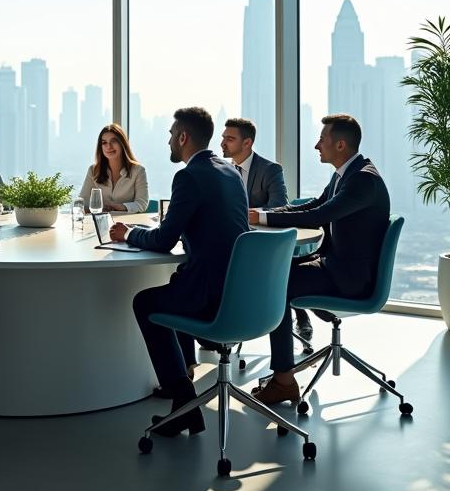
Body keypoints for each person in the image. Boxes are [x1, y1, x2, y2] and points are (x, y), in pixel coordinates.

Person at [110, 108, 249, 436]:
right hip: (238, 291)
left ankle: (185, 398)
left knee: (146, 303)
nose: (169, 141)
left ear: (184, 137)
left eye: (172, 135)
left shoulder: (188, 176)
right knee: (172, 288)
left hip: (210, 294)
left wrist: (127, 234)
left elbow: (162, 241)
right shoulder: (230, 171)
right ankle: (183, 408)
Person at [249, 114, 390, 406]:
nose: (316, 146)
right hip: (336, 265)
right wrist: (263, 214)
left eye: (322, 140)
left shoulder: (363, 179)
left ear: (340, 144)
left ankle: (283, 382)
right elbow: (312, 205)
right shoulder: (346, 174)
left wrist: (263, 217)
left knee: (278, 285)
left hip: (350, 279)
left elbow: (318, 216)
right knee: (275, 273)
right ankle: (285, 370)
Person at [220, 117, 313, 339]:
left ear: (247, 143)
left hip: (264, 240)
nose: (223, 143)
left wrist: (250, 213)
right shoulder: (222, 169)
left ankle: (300, 315)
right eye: (223, 138)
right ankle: (220, 327)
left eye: (230, 139)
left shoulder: (269, 169)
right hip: (233, 239)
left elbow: (280, 205)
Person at [78, 124, 149, 213]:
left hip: (127, 223)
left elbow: (142, 203)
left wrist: (118, 207)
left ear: (122, 143)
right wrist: (90, 209)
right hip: (100, 222)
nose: (108, 147)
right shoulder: (93, 170)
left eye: (113, 141)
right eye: (104, 143)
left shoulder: (138, 171)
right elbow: (82, 202)